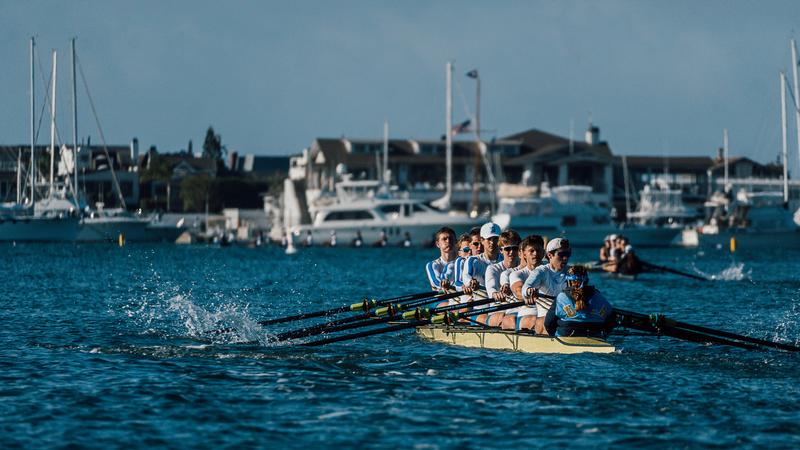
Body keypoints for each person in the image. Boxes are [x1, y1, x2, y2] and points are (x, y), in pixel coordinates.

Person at [544, 265, 615, 338]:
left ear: (569, 282)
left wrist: (552, 336)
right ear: (586, 281)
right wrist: (605, 335)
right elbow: (611, 320)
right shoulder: (599, 297)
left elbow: (548, 323)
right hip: (595, 335)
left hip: (567, 335)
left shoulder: (561, 297)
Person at [521, 237, 571, 334]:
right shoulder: (541, 271)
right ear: (550, 255)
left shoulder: (570, 272)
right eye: (561, 255)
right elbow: (525, 288)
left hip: (566, 317)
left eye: (567, 254)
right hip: (545, 318)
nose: (565, 258)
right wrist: (529, 291)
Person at [476, 229, 521, 327]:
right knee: (508, 318)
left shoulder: (523, 268)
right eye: (508, 249)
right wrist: (495, 294)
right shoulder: (493, 269)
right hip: (497, 309)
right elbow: (491, 288)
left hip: (518, 309)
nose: (512, 252)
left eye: (515, 248)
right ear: (501, 250)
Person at [503, 235, 545, 330]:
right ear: (524, 254)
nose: (535, 254)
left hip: (548, 313)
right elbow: (518, 291)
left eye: (538, 251)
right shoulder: (517, 274)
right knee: (540, 321)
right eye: (531, 251)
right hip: (528, 314)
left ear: (543, 253)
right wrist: (527, 295)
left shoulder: (550, 272)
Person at [462, 222, 502, 295]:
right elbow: (466, 276)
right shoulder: (473, 261)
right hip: (481, 303)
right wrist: (470, 282)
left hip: (503, 303)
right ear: (482, 240)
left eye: (495, 238)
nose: (492, 242)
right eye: (489, 239)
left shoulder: (505, 260)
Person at [426, 227, 457, 310]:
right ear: (437, 244)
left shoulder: (463, 262)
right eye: (444, 239)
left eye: (450, 238)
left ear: (456, 242)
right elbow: (438, 284)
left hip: (461, 299)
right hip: (441, 300)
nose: (448, 241)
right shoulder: (433, 265)